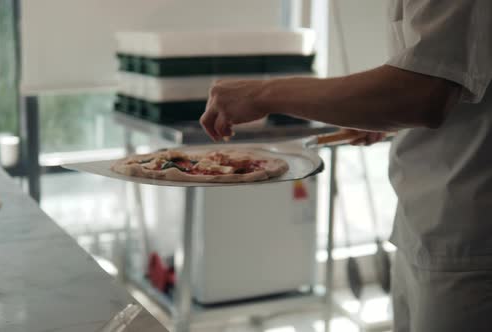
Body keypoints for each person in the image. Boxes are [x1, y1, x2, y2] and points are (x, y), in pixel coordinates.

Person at [200, 1, 492, 331]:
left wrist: (263, 93)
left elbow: (423, 93)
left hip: (470, 239)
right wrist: (380, 113)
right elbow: (452, 77)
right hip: (427, 227)